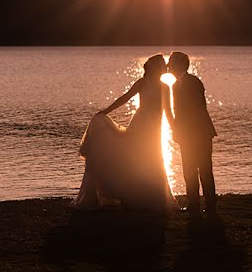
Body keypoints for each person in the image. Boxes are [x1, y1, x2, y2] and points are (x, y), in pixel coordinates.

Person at [73, 53, 176, 212]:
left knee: (154, 159)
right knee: (135, 159)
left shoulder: (165, 87)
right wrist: (106, 111)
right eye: (163, 65)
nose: (166, 67)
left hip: (154, 128)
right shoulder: (143, 83)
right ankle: (135, 195)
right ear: (157, 67)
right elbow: (125, 98)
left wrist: (175, 129)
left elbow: (168, 111)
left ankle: (152, 196)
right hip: (140, 125)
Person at [167, 51, 217, 216]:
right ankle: (193, 205)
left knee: (204, 169)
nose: (169, 67)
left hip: (200, 132)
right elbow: (178, 111)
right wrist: (177, 130)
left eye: (171, 64)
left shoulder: (193, 82)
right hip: (186, 133)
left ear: (178, 65)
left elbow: (197, 109)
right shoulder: (175, 85)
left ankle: (210, 206)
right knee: (188, 170)